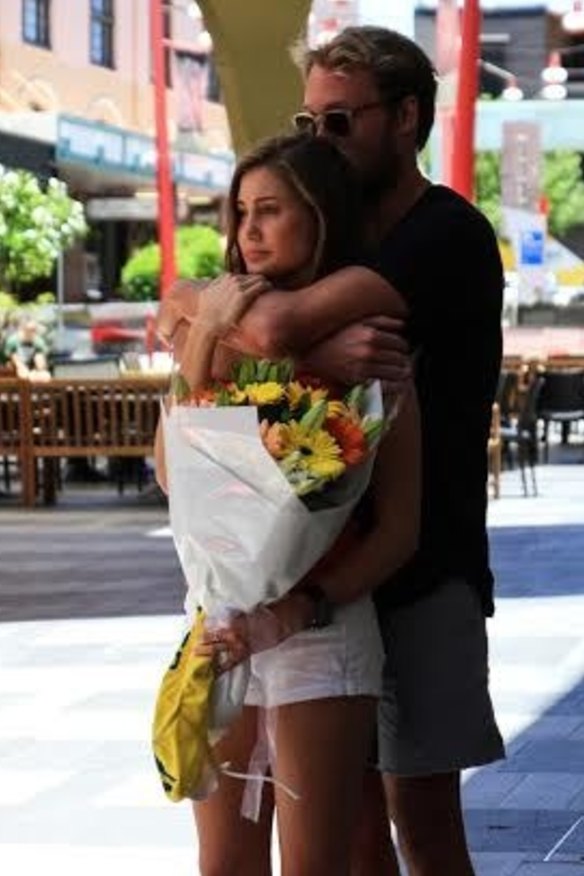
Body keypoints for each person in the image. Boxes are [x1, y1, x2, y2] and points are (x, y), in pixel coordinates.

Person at [159, 26, 506, 876]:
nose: (322, 138)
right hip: (277, 590)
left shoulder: (440, 235)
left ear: (406, 117)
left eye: (340, 121)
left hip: (421, 568)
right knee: (347, 838)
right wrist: (238, 327)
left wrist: (222, 325)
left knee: (420, 818)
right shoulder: (304, 265)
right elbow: (178, 308)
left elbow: (261, 325)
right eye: (308, 120)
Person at [156, 133, 421, 876]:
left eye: (270, 210)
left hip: (319, 633)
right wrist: (207, 335)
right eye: (241, 212)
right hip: (220, 621)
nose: (249, 230)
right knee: (224, 866)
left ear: (321, 217)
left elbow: (399, 528)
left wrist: (298, 608)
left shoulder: (372, 346)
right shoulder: (224, 324)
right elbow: (174, 472)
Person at [2, 316, 50, 381]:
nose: (31, 333)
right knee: (20, 372)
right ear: (22, 329)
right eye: (29, 330)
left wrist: (39, 371)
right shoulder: (13, 341)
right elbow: (14, 360)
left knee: (44, 375)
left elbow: (40, 358)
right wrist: (23, 370)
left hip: (31, 369)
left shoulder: (38, 342)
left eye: (34, 330)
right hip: (12, 371)